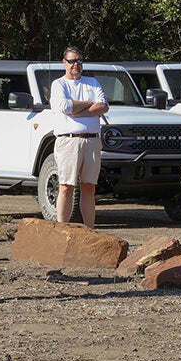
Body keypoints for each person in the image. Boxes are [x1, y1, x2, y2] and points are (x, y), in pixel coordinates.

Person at [49, 46, 109, 228]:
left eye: (79, 61)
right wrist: (91, 105)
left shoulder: (92, 82)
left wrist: (79, 108)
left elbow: (104, 106)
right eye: (72, 61)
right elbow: (65, 107)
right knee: (66, 186)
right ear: (64, 63)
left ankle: (90, 229)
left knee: (89, 187)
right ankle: (61, 229)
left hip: (91, 140)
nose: (76, 64)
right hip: (68, 140)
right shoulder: (59, 84)